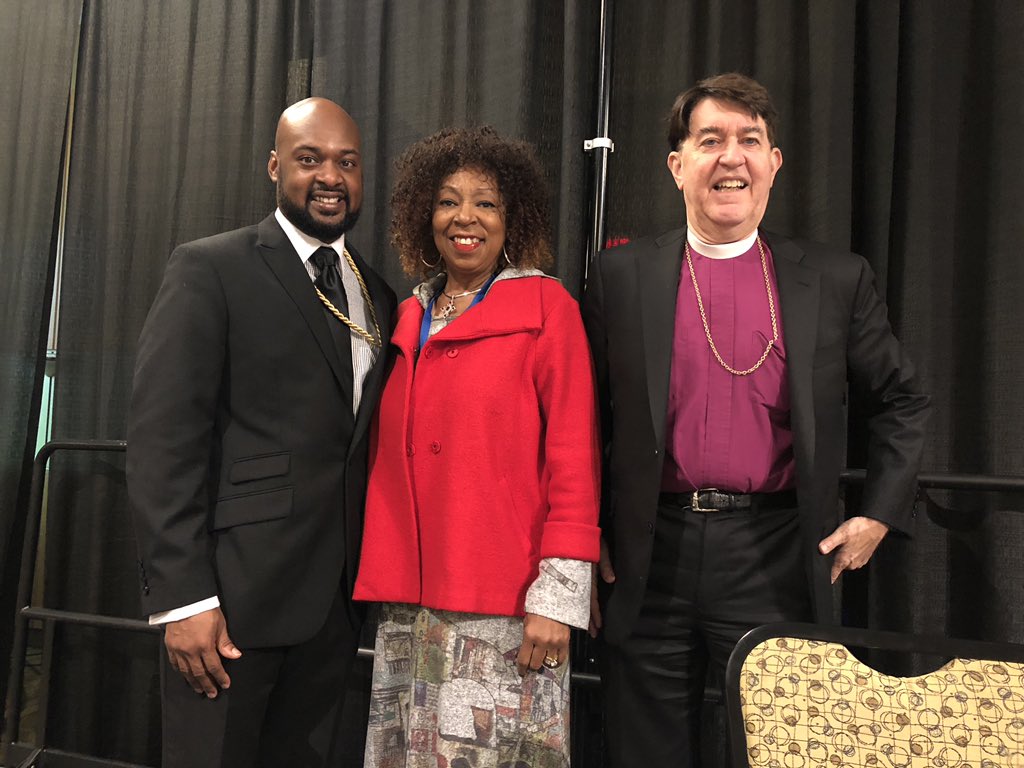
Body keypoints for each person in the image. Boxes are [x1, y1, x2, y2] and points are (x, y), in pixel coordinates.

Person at [582, 73, 930, 766]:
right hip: (651, 554)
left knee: (776, 750)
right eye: (710, 140)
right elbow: (583, 418)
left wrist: (880, 513)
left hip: (776, 553)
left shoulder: (834, 279)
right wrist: (585, 535)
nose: (731, 157)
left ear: (774, 163)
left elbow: (902, 397)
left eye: (750, 140)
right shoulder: (618, 277)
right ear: (678, 164)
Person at [127, 97, 396, 768]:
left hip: (335, 607)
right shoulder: (211, 267)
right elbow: (164, 438)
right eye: (309, 160)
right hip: (230, 606)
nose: (329, 176)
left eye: (347, 162)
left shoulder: (381, 295)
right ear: (276, 167)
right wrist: (184, 599)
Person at [353, 126, 601, 768]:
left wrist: (557, 597)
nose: (465, 218)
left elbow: (575, 457)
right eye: (447, 201)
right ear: (422, 216)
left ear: (511, 217)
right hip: (409, 603)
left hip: (508, 606)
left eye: (486, 203)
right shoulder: (406, 315)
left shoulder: (548, 307)